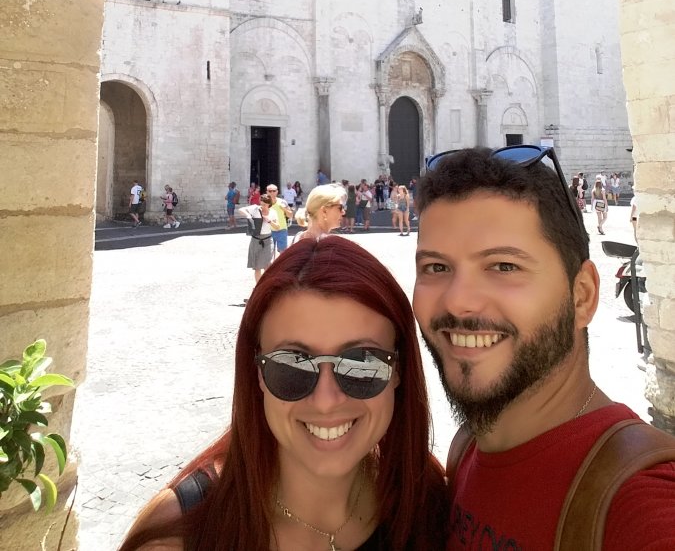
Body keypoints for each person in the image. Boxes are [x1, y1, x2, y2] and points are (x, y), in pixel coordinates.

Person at [413, 147, 675, 551]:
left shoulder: (641, 500)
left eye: (504, 266)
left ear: (582, 296)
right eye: (436, 267)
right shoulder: (468, 447)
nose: (458, 301)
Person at [118, 236, 448, 551]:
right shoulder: (179, 536)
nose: (326, 400)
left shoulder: (429, 504)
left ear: (399, 370)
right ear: (257, 374)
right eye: (291, 365)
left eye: (361, 363)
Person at [239, 193, 278, 284]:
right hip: (256, 240)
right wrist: (248, 215)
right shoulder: (255, 209)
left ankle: (267, 285)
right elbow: (241, 209)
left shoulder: (273, 212)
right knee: (257, 267)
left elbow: (277, 226)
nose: (262, 206)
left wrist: (269, 221)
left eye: (264, 205)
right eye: (261, 204)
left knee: (267, 265)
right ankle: (258, 286)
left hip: (267, 240)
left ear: (269, 204)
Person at [266, 184, 292, 255]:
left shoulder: (282, 202)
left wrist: (284, 209)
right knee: (269, 253)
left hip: (282, 229)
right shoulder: (265, 203)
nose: (272, 193)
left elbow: (290, 215)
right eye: (270, 191)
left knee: (283, 253)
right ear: (267, 192)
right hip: (268, 230)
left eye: (274, 191)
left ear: (277, 191)